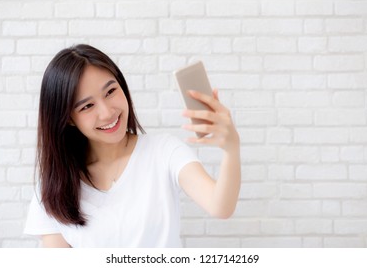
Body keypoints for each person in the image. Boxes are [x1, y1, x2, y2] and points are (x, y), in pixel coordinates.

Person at [24, 44, 241, 248]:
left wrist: (231, 148)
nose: (107, 112)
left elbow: (220, 206)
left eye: (110, 92)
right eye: (87, 106)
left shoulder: (164, 152)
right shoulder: (54, 188)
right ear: (68, 118)